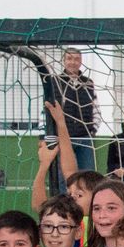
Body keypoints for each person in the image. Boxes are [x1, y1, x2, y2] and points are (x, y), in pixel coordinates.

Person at [40, 48, 98, 181]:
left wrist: (92, 131)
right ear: (64, 61)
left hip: (85, 139)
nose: (73, 62)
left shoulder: (88, 83)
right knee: (63, 178)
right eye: (69, 58)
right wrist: (43, 136)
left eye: (77, 59)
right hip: (62, 138)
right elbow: (45, 110)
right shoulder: (54, 82)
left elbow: (96, 110)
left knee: (88, 177)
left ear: (81, 62)